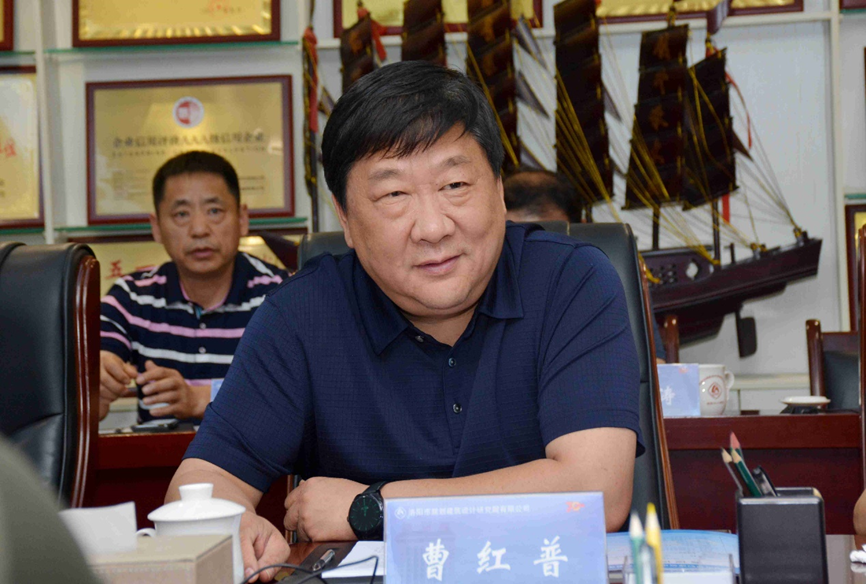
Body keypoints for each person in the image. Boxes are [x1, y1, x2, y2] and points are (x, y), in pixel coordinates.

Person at [167, 61, 641, 583]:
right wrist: (230, 525)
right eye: (394, 195)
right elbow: (204, 481)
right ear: (345, 218)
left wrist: (374, 507)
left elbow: (596, 491)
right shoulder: (302, 316)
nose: (433, 227)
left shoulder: (569, 282)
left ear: (498, 189)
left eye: (455, 184)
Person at [98, 151, 287, 422]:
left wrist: (202, 399)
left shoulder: (282, 296)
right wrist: (98, 383)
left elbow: (300, 397)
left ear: (242, 218)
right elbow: (87, 405)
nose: (199, 229)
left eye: (214, 211)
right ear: (156, 227)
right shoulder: (131, 297)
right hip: (159, 451)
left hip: (253, 451)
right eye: (181, 214)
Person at [503, 169, 668, 363]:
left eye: (549, 240)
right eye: (516, 241)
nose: (535, 255)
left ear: (582, 231)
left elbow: (655, 367)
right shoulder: (484, 281)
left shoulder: (612, 274)